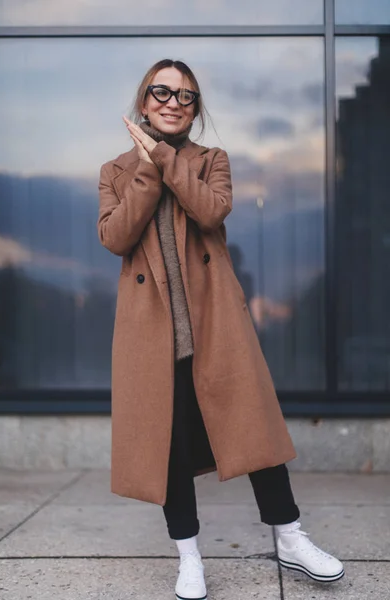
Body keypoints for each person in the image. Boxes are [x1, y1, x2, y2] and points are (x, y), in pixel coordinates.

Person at [97, 59, 344, 599]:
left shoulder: (212, 161)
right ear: (144, 102)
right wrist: (145, 169)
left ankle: (290, 537)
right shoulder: (115, 171)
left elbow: (211, 212)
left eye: (185, 96)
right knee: (169, 451)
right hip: (152, 337)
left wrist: (163, 157)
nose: (171, 101)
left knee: (255, 432)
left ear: (194, 110)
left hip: (216, 327)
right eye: (161, 91)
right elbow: (116, 238)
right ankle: (189, 559)